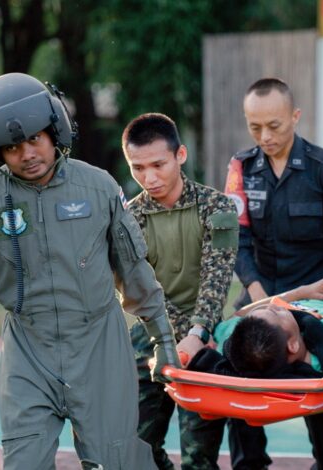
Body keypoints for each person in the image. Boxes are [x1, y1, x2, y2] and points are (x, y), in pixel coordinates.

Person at [0, 73, 179, 469]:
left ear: (54, 130)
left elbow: (134, 271)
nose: (27, 153)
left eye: (34, 138)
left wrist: (163, 337)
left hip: (99, 346)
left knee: (117, 461)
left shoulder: (98, 189)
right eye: (12, 147)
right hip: (29, 353)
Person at [122, 113, 238, 469]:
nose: (149, 178)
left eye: (158, 164)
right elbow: (137, 288)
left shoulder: (217, 207)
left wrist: (198, 333)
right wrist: (178, 333)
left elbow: (217, 278)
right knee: (133, 448)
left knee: (198, 459)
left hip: (206, 342)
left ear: (180, 155)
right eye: (138, 168)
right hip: (148, 339)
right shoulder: (127, 219)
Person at [177, 276, 323, 470]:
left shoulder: (236, 338)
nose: (274, 305)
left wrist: (301, 293)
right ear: (293, 345)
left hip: (318, 293)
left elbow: (240, 313)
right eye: (276, 312)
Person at [225, 78, 323, 307]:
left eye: (274, 126)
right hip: (261, 292)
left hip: (317, 295)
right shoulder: (241, 168)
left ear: (295, 117)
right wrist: (256, 290)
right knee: (228, 330)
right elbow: (236, 238)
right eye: (255, 127)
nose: (265, 137)